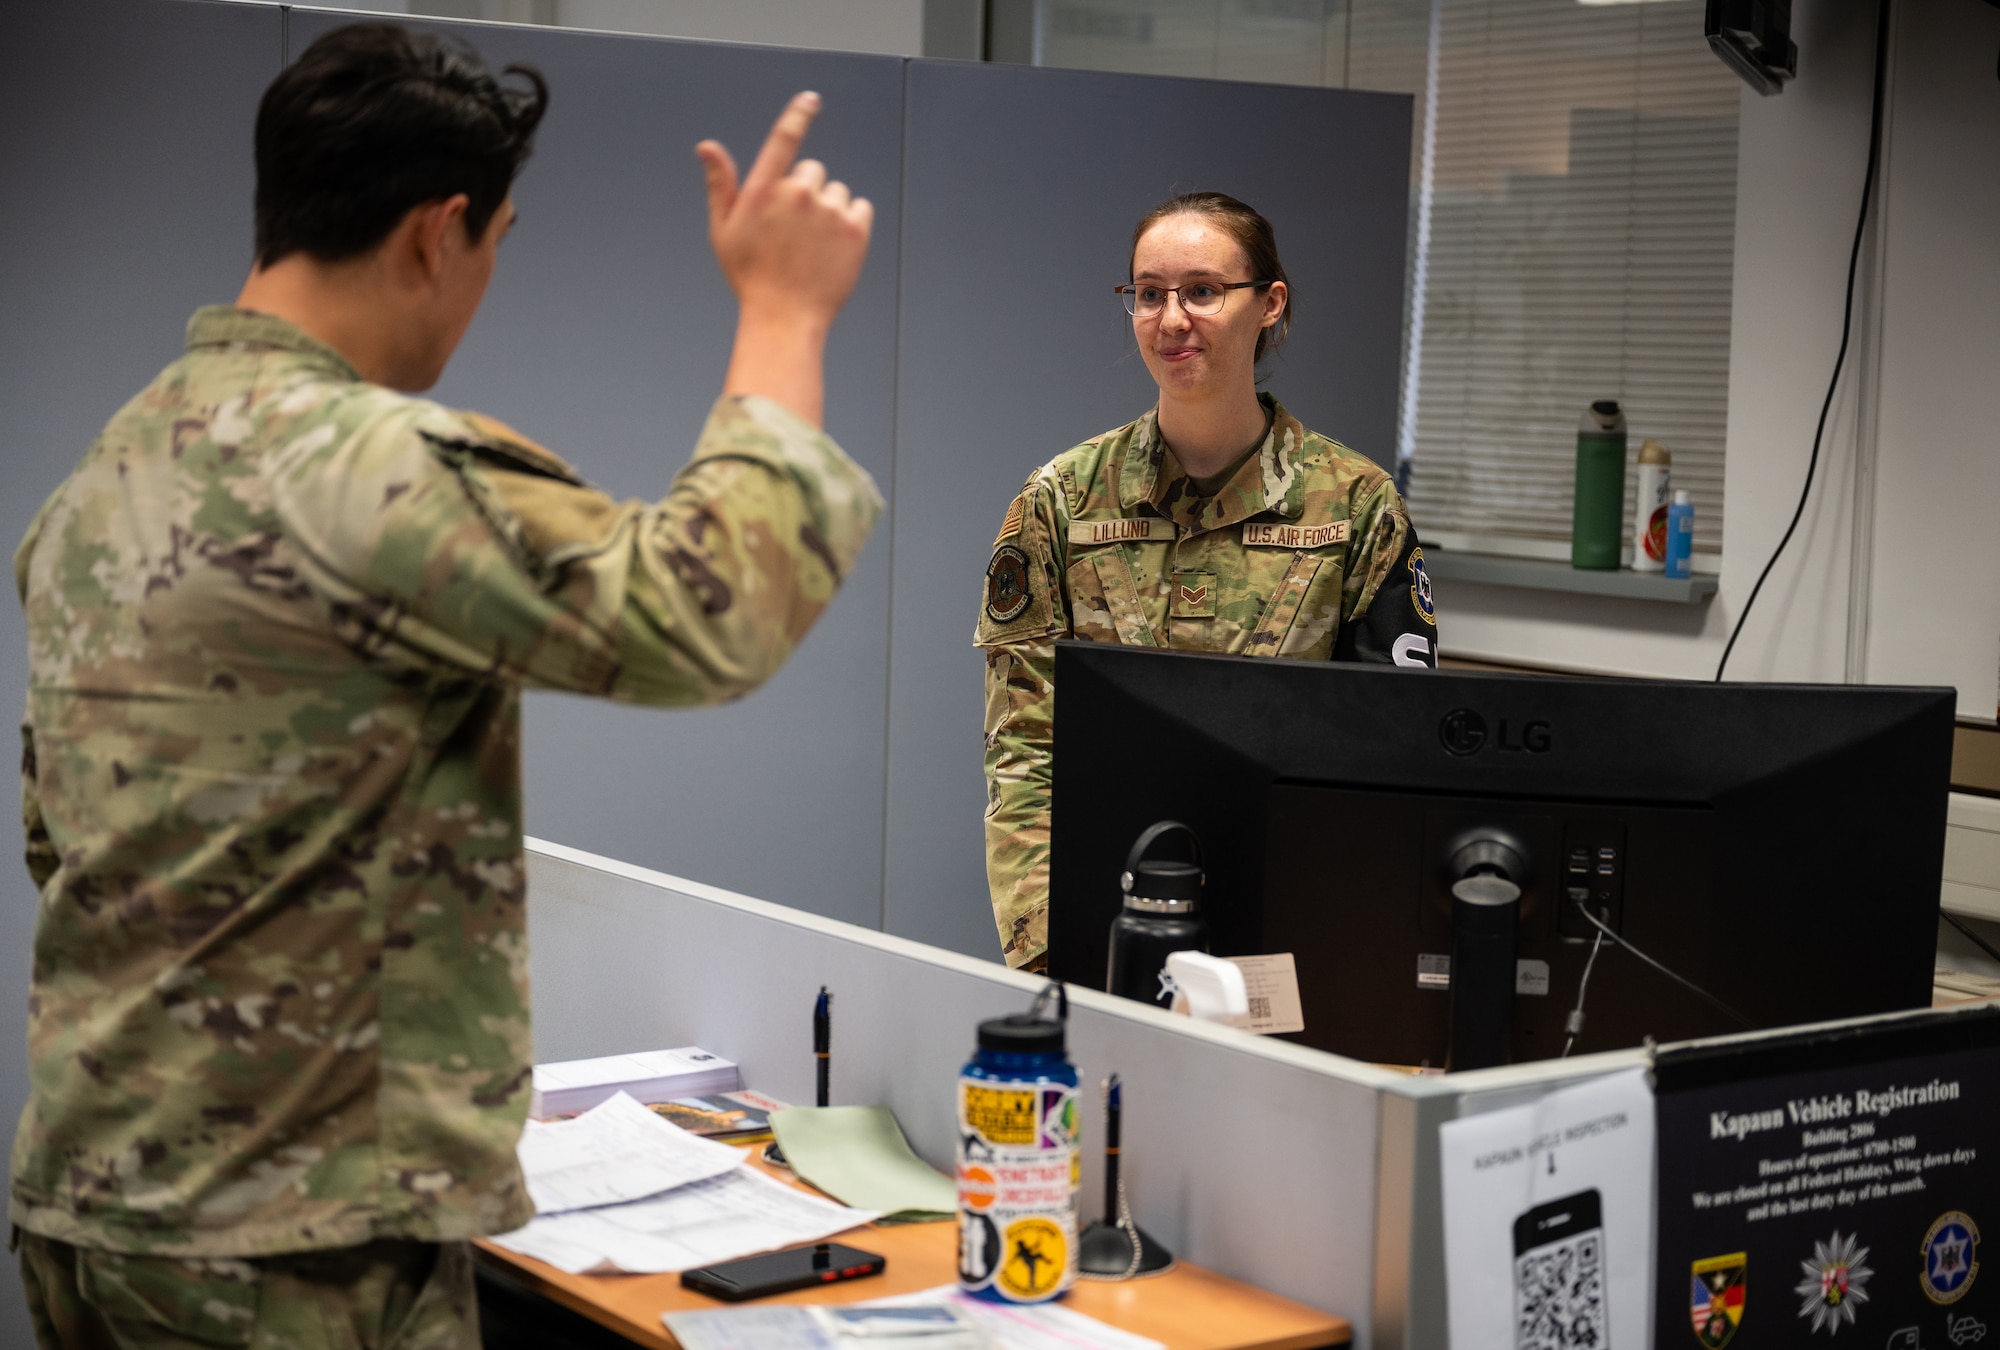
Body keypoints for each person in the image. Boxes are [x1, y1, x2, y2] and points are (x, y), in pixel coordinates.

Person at [13, 23, 879, 1349]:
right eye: (495, 245)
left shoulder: (109, 475)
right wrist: (784, 313)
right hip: (293, 1252)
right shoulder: (369, 468)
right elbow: (707, 614)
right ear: (439, 232)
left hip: (98, 1206)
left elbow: (54, 835)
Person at [975, 192, 1438, 971]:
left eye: (1202, 291)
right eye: (1148, 294)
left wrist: (1358, 955)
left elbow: (1394, 764)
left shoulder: (1356, 505)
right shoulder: (1061, 499)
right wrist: (1047, 952)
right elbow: (1022, 751)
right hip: (1100, 922)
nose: (1171, 318)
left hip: (1298, 927)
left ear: (1269, 305)